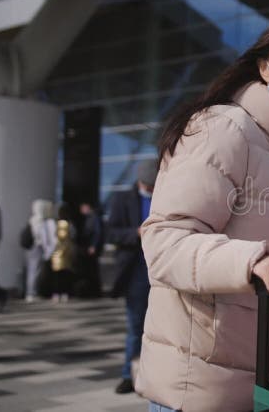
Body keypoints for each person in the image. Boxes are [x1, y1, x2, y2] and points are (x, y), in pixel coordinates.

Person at [137, 8, 269, 411]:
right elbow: (164, 242)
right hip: (197, 393)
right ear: (264, 68)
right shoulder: (223, 128)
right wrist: (252, 262)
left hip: (254, 388)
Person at [107, 161, 156, 394]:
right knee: (136, 325)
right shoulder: (122, 199)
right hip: (135, 268)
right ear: (140, 182)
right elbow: (111, 232)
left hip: (161, 268)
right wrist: (134, 233)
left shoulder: (166, 195)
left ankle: (154, 374)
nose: (152, 189)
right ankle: (129, 374)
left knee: (162, 326)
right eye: (148, 186)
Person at [24, 199, 57, 302]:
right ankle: (31, 293)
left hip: (31, 248)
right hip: (38, 247)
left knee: (31, 270)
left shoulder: (32, 219)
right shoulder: (43, 221)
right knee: (35, 271)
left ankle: (31, 292)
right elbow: (44, 238)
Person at [74, 201, 103, 298]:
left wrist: (94, 246)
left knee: (92, 270)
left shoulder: (94, 217)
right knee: (90, 270)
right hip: (87, 247)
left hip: (91, 247)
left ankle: (95, 291)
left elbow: (97, 233)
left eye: (83, 208)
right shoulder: (88, 218)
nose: (81, 210)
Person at [50, 218, 76, 302]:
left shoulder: (55, 225)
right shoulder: (69, 225)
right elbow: (73, 235)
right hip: (65, 253)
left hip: (57, 254)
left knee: (57, 276)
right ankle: (64, 294)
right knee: (65, 275)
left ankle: (56, 294)